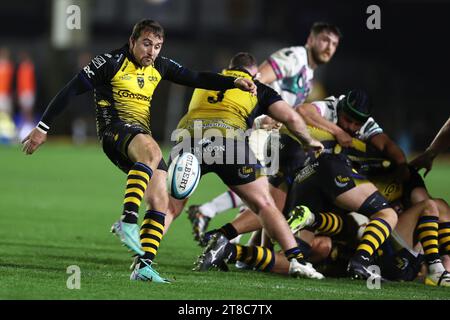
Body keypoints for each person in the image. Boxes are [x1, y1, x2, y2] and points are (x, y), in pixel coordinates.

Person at [21, 19, 257, 283]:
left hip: (136, 136)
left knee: (160, 200)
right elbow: (70, 90)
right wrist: (42, 127)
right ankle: (128, 220)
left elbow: (197, 78)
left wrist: (232, 83)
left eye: (157, 46)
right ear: (132, 41)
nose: (152, 51)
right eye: (146, 44)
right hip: (115, 131)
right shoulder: (109, 63)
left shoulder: (160, 66)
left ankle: (143, 266)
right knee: (153, 151)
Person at [165, 52, 326, 279]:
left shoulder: (208, 80)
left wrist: (258, 120)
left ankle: (144, 254)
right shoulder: (257, 86)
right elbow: (291, 117)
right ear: (255, 73)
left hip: (188, 140)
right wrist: (308, 141)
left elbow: (222, 105)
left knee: (170, 206)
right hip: (229, 141)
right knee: (264, 204)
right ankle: (296, 260)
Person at [187, 22, 342, 240]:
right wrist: (263, 113)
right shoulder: (294, 56)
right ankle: (213, 221)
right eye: (325, 39)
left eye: (334, 44)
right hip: (258, 126)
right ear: (311, 39)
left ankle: (228, 241)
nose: (329, 47)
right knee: (257, 187)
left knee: (259, 189)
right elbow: (257, 80)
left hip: (267, 132)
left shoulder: (307, 74)